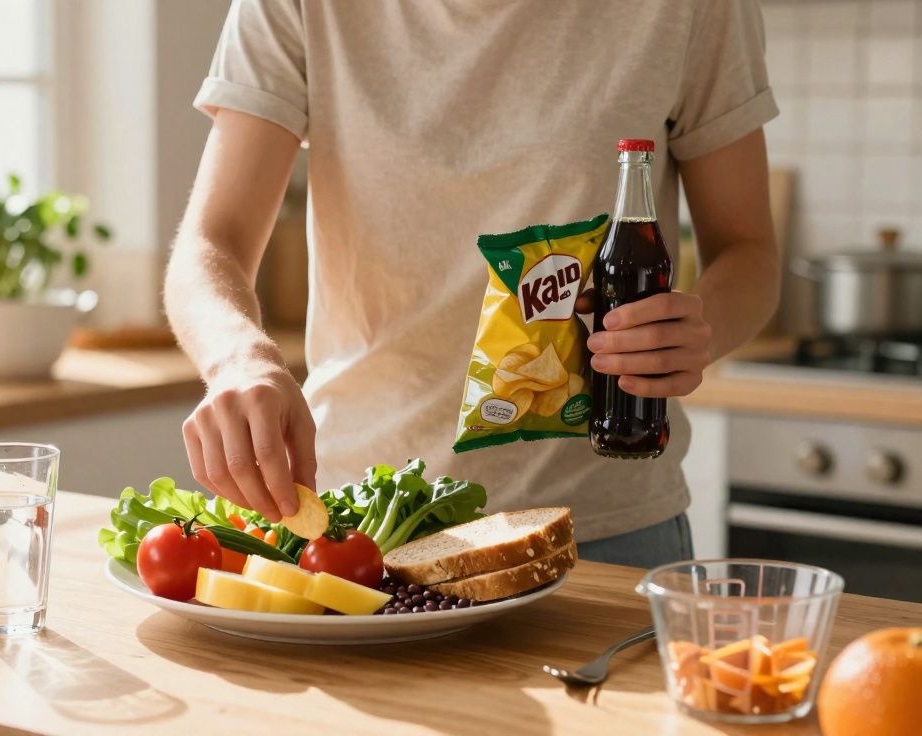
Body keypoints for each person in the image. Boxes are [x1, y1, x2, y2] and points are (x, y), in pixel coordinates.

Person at [163, 0, 779, 568]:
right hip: (361, 527)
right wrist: (240, 361)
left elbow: (749, 254)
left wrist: (690, 333)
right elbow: (212, 241)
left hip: (602, 530)